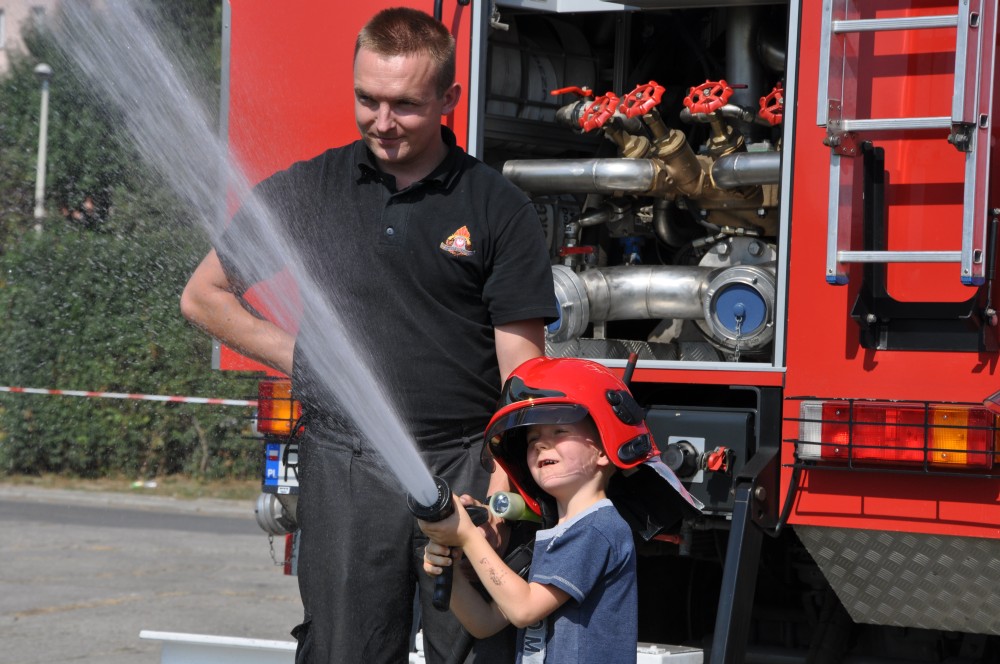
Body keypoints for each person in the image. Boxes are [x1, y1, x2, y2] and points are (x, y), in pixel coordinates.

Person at [179, 7, 557, 664]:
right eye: (367, 99)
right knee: (343, 651)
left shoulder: (496, 208)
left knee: (473, 652)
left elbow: (522, 368)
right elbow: (202, 296)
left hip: (463, 461)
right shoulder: (311, 189)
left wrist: (503, 482)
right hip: (347, 462)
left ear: (449, 100)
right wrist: (305, 356)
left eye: (405, 105)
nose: (382, 122)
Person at [419, 357, 655, 664]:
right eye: (532, 439)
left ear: (603, 450)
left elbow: (523, 609)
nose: (542, 444)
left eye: (558, 431)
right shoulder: (553, 535)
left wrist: (467, 536)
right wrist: (449, 571)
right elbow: (485, 622)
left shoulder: (598, 528)